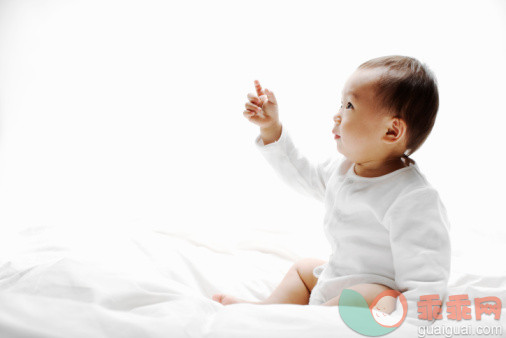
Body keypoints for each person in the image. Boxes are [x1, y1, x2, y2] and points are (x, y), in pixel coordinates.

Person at [212, 55, 451, 325]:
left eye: (349, 105)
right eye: (341, 103)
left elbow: (427, 274)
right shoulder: (344, 169)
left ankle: (308, 323)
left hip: (376, 292)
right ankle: (268, 309)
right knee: (302, 269)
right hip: (334, 278)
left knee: (370, 294)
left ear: (391, 131)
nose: (337, 114)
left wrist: (414, 324)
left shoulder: (412, 197)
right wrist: (271, 129)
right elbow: (301, 175)